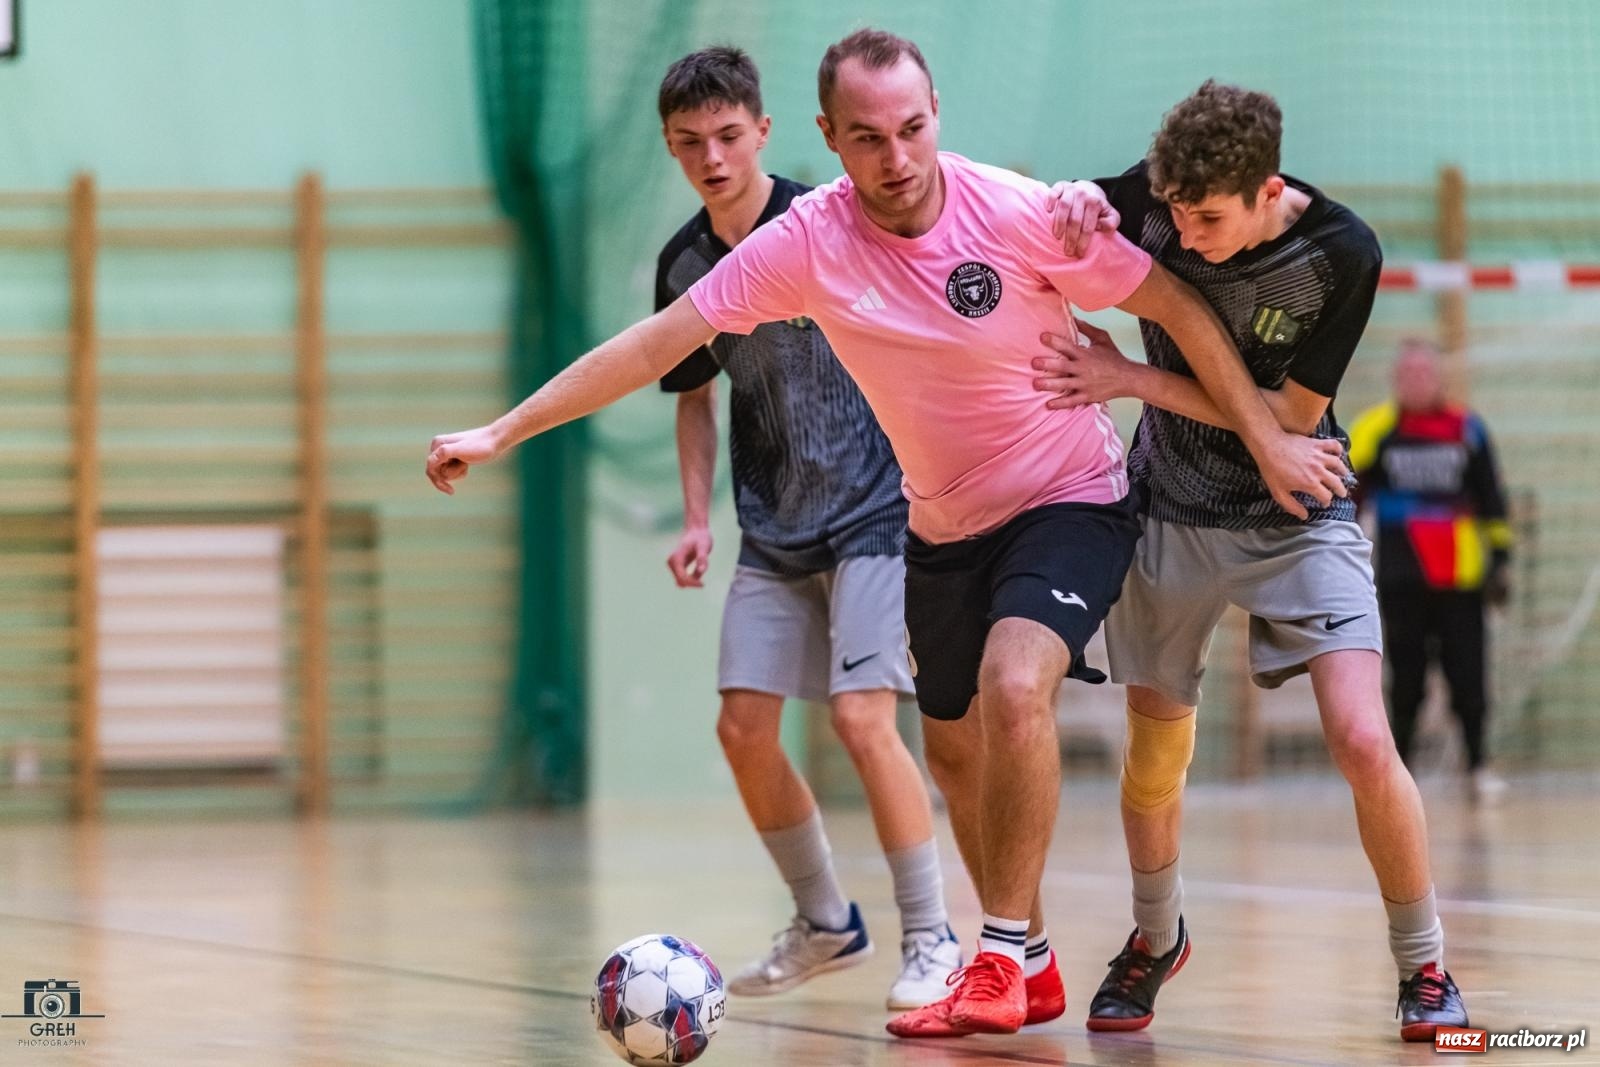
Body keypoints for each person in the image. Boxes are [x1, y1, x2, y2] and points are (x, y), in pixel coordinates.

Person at [427, 32, 1348, 1039]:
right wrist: (503, 429)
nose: (896, 157)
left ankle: (991, 951)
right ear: (828, 136)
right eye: (867, 137)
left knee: (1013, 684)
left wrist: (1265, 438)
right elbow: (659, 342)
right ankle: (1028, 962)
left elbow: (1176, 306)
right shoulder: (804, 243)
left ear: (936, 114)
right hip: (941, 523)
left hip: (1069, 495)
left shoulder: (1015, 210)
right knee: (952, 755)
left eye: (912, 129)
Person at [1040, 80, 1470, 1042]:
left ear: (1268, 190)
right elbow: (1072, 212)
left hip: (1297, 508)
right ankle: (1155, 940)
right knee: (1156, 756)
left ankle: (1426, 965)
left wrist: (1127, 377)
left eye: (1208, 219)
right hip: (1171, 515)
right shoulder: (1159, 203)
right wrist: (1072, 198)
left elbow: (1284, 421)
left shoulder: (1341, 254)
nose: (1184, 237)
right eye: (1174, 214)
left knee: (1363, 738)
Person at [652, 46, 960, 1009]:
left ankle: (934, 937)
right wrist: (699, 517)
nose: (712, 158)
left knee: (865, 717)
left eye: (729, 136)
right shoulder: (683, 264)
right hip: (775, 529)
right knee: (743, 727)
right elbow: (691, 397)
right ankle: (827, 920)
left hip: (875, 513)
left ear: (766, 133)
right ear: (672, 150)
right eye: (689, 143)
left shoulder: (825, 223)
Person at [1347, 339, 1513, 801]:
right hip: (1402, 578)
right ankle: (1401, 769)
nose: (1416, 380)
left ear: (1439, 378)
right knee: (1406, 678)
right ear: (1396, 380)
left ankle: (1478, 766)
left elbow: (1492, 500)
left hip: (1461, 578)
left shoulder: (1467, 429)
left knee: (1469, 676)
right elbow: (1347, 500)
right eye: (1408, 373)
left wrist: (1501, 561)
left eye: (1425, 372)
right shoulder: (1374, 429)